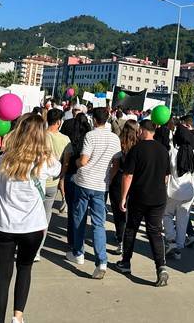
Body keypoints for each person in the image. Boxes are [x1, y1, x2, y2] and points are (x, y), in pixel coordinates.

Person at [0, 114, 60, 323]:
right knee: (25, 269)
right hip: (33, 226)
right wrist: (45, 145)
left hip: (4, 224)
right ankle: (18, 317)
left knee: (2, 276)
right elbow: (57, 169)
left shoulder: (5, 158)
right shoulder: (46, 161)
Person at [67, 108, 121, 279]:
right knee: (99, 224)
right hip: (101, 185)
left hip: (84, 181)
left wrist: (75, 162)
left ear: (94, 120)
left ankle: (78, 252)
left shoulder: (91, 136)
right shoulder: (114, 138)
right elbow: (116, 163)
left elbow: (83, 160)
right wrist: (109, 178)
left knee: (79, 217)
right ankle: (102, 261)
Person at [115, 119, 171, 286]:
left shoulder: (136, 150)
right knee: (155, 232)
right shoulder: (163, 150)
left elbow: (128, 175)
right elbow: (166, 176)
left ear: (143, 131)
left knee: (131, 228)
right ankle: (161, 266)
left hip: (140, 196)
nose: (138, 132)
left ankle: (126, 262)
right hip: (159, 197)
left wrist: (123, 197)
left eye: (139, 130)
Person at [36, 108, 70, 260]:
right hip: (53, 182)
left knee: (34, 214)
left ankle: (27, 245)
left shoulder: (40, 136)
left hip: (38, 179)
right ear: (58, 122)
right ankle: (37, 250)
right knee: (46, 217)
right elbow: (67, 161)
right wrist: (61, 174)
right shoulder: (65, 139)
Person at [163, 122, 194, 260]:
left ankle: (171, 239)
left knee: (166, 215)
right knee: (182, 221)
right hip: (189, 191)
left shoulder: (173, 152)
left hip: (173, 190)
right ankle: (178, 248)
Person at [61, 112, 92, 248]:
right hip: (83, 176)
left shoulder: (68, 130)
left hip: (70, 172)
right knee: (81, 210)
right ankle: (78, 239)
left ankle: (71, 239)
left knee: (72, 208)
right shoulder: (89, 136)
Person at [109, 119, 139, 254]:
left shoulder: (120, 143)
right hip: (135, 181)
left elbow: (115, 166)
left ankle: (121, 240)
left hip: (119, 179)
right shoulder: (139, 144)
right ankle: (128, 239)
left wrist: (109, 180)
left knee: (118, 212)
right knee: (130, 212)